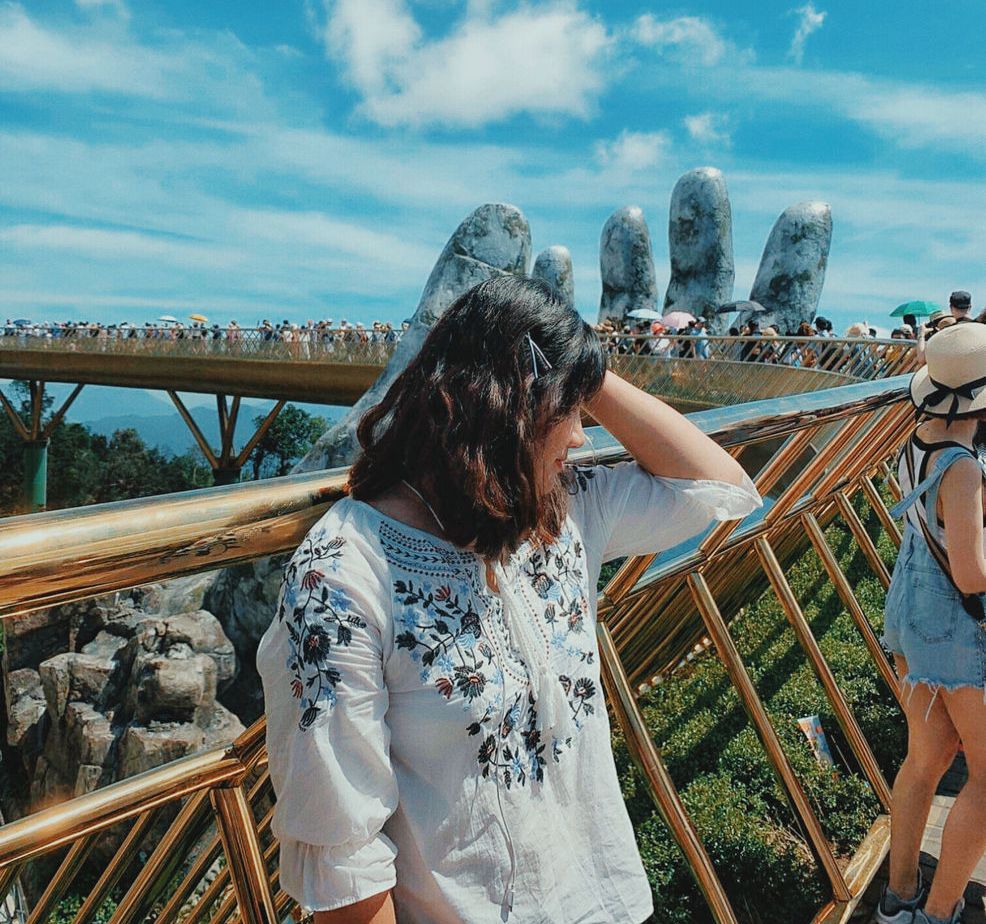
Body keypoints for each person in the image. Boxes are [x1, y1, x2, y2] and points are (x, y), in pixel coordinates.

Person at [257, 276, 760, 924]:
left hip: (607, 902)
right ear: (504, 409)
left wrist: (583, 364)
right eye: (569, 412)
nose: (582, 436)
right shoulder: (343, 576)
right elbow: (345, 860)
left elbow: (721, 490)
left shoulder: (559, 511)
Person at [875, 323, 986, 924]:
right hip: (953, 626)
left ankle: (899, 901)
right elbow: (970, 574)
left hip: (911, 609)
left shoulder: (916, 440)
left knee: (927, 758)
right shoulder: (964, 466)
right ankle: (939, 914)